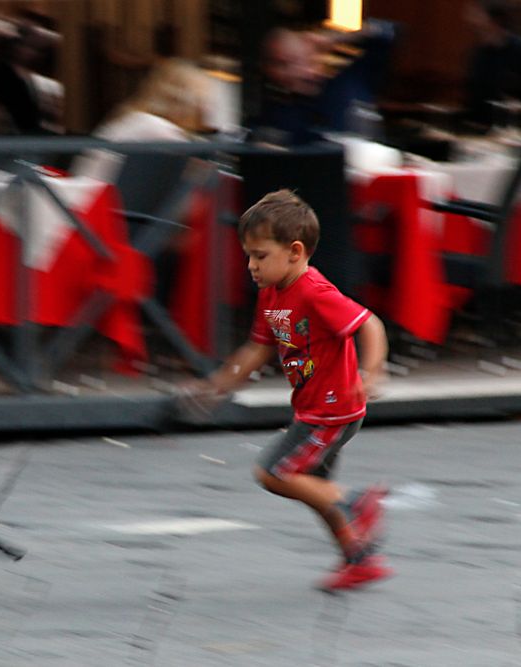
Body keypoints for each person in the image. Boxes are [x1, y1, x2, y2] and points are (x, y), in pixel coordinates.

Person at [182, 189, 392, 591]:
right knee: (314, 489)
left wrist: (373, 371)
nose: (251, 266)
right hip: (315, 408)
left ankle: (355, 503)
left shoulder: (314, 291)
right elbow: (257, 348)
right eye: (248, 255)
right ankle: (360, 558)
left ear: (295, 252)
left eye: (260, 256)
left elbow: (370, 324)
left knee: (275, 472)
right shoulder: (271, 294)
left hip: (331, 410)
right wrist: (216, 386)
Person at [251, 20, 396, 145]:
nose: (299, 69)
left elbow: (390, 32)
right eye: (283, 64)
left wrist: (337, 37)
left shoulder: (352, 80)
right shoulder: (276, 115)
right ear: (272, 72)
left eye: (301, 59)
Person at [69, 57, 212, 182]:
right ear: (186, 102)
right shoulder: (157, 127)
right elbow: (193, 173)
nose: (205, 108)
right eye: (202, 100)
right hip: (95, 207)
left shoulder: (136, 119)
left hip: (83, 200)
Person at [464, 0, 521, 129]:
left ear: (494, 19)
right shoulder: (477, 54)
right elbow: (473, 100)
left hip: (513, 130)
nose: (470, 19)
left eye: (477, 14)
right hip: (479, 131)